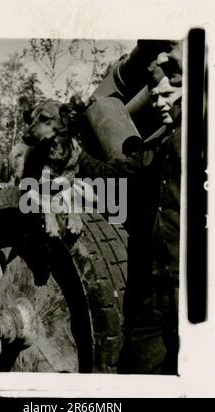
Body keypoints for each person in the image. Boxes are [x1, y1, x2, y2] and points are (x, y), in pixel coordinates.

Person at [78, 48, 182, 374]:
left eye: (169, 94)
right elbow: (116, 172)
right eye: (156, 96)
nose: (160, 102)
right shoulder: (156, 149)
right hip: (154, 289)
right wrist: (71, 157)